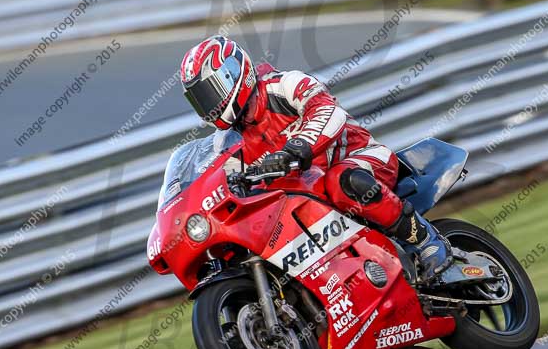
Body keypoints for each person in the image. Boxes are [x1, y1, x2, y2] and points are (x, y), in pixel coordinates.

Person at [179, 36, 451, 283]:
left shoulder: (284, 85)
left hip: (361, 158)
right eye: (200, 99)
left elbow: (329, 112)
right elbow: (226, 183)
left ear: (234, 72)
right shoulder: (227, 142)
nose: (209, 104)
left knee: (341, 181)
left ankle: (426, 241)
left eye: (211, 91)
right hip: (307, 196)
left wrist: (295, 148)